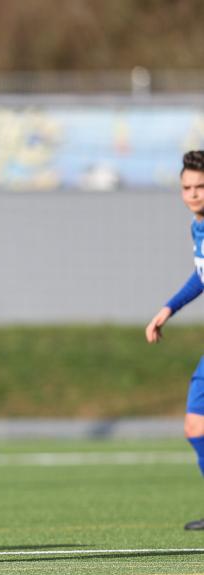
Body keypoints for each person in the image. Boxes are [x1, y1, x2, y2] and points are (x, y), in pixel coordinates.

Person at [146, 149, 204, 531]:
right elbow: (202, 275)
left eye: (201, 187)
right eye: (187, 187)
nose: (194, 194)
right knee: (195, 427)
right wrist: (168, 309)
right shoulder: (197, 227)